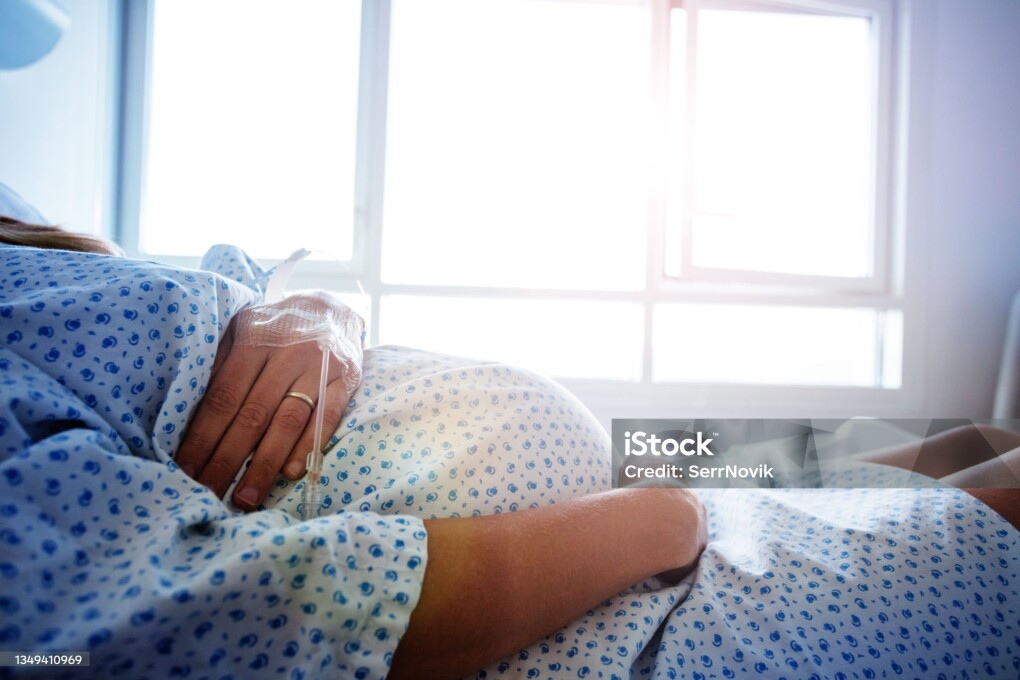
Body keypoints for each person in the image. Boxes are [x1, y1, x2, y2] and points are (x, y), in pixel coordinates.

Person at [2, 217, 1018, 679]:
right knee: (994, 506)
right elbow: (171, 623)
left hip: (628, 461)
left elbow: (243, 277)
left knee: (969, 441)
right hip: (623, 547)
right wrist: (656, 519)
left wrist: (317, 311)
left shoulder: (28, 248)